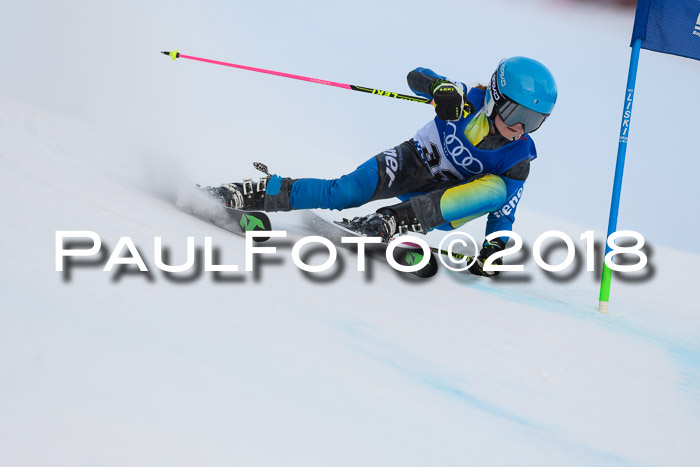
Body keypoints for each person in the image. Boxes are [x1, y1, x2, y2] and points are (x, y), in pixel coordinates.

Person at [205, 56, 557, 277]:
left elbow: (504, 213)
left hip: (440, 201)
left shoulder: (519, 157)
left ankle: (392, 221)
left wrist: (494, 249)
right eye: (516, 114)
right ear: (494, 98)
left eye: (534, 120)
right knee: (344, 191)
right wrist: (440, 88)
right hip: (411, 162)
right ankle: (248, 193)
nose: (520, 128)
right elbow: (416, 76)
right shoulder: (467, 99)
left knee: (495, 190)